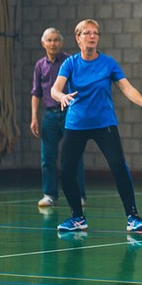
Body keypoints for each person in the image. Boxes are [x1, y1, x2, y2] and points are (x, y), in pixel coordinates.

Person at [51, 19, 142, 232]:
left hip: (104, 124)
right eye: (87, 33)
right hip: (76, 124)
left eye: (95, 33)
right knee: (66, 172)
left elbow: (127, 88)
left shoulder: (108, 63)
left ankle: (133, 216)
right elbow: (55, 89)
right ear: (78, 38)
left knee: (119, 167)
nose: (92, 36)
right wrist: (61, 96)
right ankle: (77, 217)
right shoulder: (70, 63)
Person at [31, 27, 86, 208]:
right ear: (43, 43)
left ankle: (79, 195)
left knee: (74, 156)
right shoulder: (40, 66)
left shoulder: (70, 62)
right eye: (49, 40)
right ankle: (49, 195)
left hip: (69, 114)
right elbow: (36, 93)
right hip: (50, 115)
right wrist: (34, 117)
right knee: (48, 157)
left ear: (61, 43)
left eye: (56, 40)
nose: (53, 43)